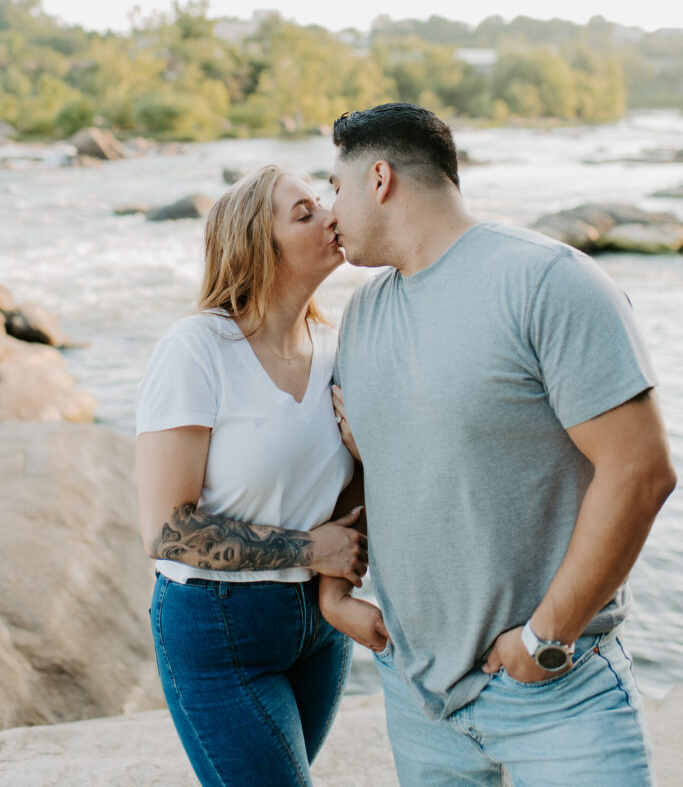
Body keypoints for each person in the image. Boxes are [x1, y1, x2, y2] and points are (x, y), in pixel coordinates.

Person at [320, 102, 677, 787]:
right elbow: (375, 464)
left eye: (334, 186)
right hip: (417, 692)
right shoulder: (364, 312)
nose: (329, 211)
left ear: (379, 178)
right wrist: (335, 592)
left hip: (553, 694)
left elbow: (639, 471)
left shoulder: (546, 281)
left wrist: (545, 638)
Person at [135, 164, 370, 787]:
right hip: (217, 626)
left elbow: (345, 494)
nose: (332, 216)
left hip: (320, 629)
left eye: (324, 203)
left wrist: (365, 452)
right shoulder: (197, 350)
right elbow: (166, 531)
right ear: (256, 249)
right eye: (305, 213)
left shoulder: (340, 345)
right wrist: (307, 550)